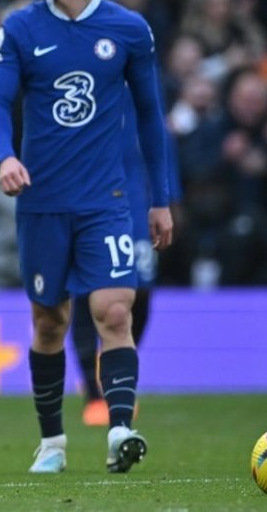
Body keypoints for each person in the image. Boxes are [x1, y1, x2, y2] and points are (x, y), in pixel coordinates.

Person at [0, 0, 173, 475]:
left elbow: (151, 118)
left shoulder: (128, 30)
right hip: (43, 203)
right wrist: (5, 156)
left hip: (106, 200)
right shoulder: (19, 29)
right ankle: (52, 443)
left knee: (115, 310)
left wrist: (159, 199)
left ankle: (119, 428)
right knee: (50, 322)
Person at [71, 90, 183, 427]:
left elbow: (162, 153)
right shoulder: (82, 97)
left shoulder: (146, 104)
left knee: (139, 296)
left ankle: (115, 373)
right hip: (87, 211)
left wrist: (170, 200)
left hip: (137, 212)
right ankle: (93, 391)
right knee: (83, 293)